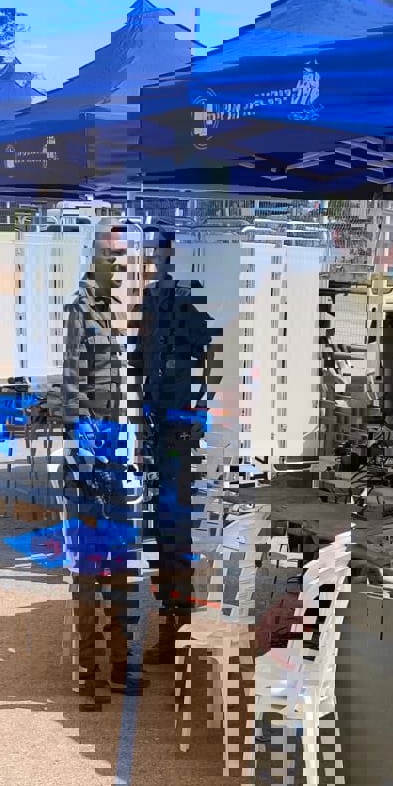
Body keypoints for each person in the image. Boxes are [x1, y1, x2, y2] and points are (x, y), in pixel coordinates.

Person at [63, 222, 152, 698]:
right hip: (92, 453)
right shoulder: (80, 312)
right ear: (94, 257)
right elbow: (72, 385)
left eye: (122, 255)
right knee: (87, 567)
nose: (117, 263)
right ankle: (89, 671)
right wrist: (85, 454)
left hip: (123, 453)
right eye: (109, 254)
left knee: (123, 564)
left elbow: (135, 385)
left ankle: (120, 663)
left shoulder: (127, 311)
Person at [137, 229, 222, 665]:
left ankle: (180, 628)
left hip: (182, 428)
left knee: (176, 525)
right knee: (163, 525)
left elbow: (217, 357)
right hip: (160, 426)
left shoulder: (195, 297)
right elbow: (139, 362)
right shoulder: (152, 300)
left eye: (159, 252)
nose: (154, 259)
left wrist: (201, 410)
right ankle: (173, 624)